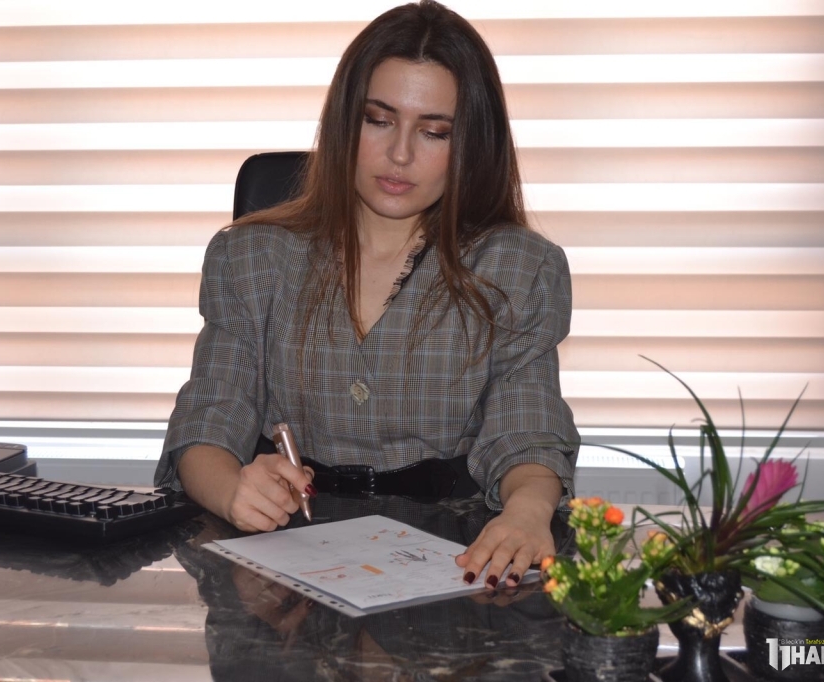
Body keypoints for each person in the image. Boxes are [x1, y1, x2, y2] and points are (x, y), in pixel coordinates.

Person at [155, 0, 579, 590]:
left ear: (471, 144)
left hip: (452, 558)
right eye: (379, 121)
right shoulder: (251, 256)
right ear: (344, 123)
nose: (401, 154)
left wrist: (527, 514)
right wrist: (231, 490)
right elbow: (207, 421)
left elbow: (526, 430)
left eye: (434, 132)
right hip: (282, 563)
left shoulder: (519, 268)